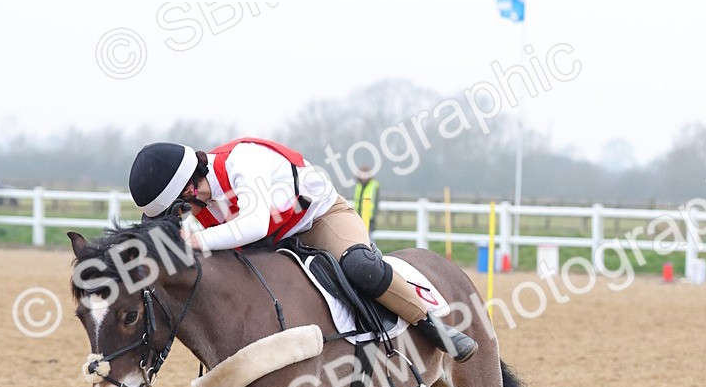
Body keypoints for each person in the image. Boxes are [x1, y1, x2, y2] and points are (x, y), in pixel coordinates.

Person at [128, 138, 477, 362]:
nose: (184, 217)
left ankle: (432, 324)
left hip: (320, 221)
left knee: (359, 266)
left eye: (179, 208)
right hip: (273, 243)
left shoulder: (242, 162)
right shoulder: (199, 200)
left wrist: (197, 241)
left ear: (189, 188)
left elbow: (255, 223)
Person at [353, 164, 381, 233]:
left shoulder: (374, 185)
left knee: (369, 239)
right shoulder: (358, 185)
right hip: (358, 216)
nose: (363, 178)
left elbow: (376, 202)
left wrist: (373, 215)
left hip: (369, 218)